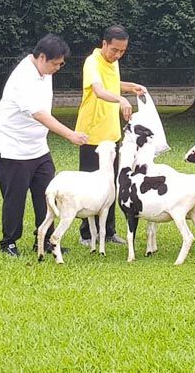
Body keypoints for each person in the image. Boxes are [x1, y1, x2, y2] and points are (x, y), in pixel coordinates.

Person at [0, 34, 89, 257]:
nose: (58, 68)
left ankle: (45, 240)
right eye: (55, 63)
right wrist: (70, 135)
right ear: (41, 57)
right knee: (15, 197)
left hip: (38, 147)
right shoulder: (22, 78)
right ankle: (9, 242)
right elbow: (40, 115)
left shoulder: (45, 72)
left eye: (61, 64)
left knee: (47, 194)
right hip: (13, 148)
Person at [75, 25, 147, 246]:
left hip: (112, 135)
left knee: (114, 185)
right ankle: (87, 234)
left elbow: (112, 85)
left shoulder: (113, 63)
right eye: (114, 50)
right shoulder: (92, 61)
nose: (117, 55)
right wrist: (121, 99)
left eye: (122, 51)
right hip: (92, 136)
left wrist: (130, 88)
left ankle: (109, 232)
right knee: (92, 187)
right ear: (104, 43)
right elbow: (98, 89)